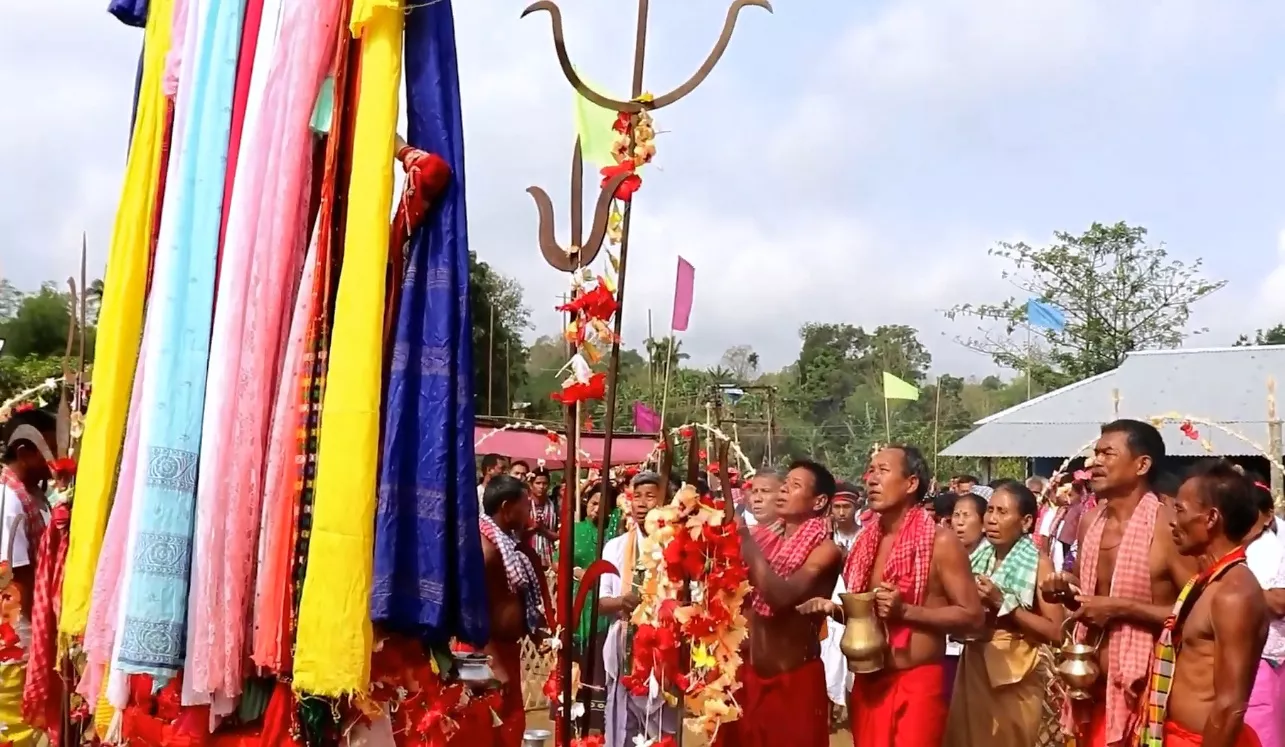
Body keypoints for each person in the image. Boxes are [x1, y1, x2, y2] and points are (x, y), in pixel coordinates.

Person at [802, 445, 983, 747]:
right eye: (871, 471)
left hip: (918, 683)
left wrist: (907, 612)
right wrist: (834, 610)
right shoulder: (865, 543)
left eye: (883, 471)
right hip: (868, 681)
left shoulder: (941, 542)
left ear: (911, 483)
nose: (871, 479)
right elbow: (869, 613)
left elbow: (973, 618)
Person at [1041, 419, 1198, 747]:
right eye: (1095, 453)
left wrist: (1120, 609)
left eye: (1107, 454)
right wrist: (1065, 589)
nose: (1094, 462)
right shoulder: (1090, 521)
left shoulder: (1168, 527)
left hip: (1150, 695)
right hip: (1091, 690)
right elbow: (1091, 595)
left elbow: (1198, 615)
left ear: (1142, 464)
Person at [1136, 460, 1267, 747]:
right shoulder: (1206, 582)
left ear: (1210, 519)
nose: (1172, 520)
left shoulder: (1234, 593)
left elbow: (1230, 706)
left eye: (1180, 510)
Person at [719, 460, 843, 747]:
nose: (785, 490)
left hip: (793, 682)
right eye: (785, 484)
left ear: (819, 501)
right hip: (748, 678)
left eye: (795, 486)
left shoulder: (826, 551)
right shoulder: (765, 538)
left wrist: (745, 541)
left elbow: (781, 597)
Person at [945, 480, 1064, 747]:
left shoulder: (1039, 564)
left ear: (1026, 522)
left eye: (1002, 512)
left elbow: (1057, 632)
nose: (992, 520)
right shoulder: (976, 558)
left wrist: (1004, 605)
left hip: (1015, 672)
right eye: (990, 511)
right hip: (974, 663)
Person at [600, 472, 680, 747]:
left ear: (666, 502)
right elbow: (601, 602)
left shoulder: (676, 545)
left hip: (664, 651)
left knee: (662, 731)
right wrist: (624, 602)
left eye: (651, 496)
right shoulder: (615, 546)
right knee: (622, 728)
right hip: (624, 646)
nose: (642, 503)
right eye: (638, 496)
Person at [475, 475, 547, 747]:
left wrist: (539, 635)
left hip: (506, 652)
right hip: (485, 655)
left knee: (510, 729)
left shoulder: (508, 545)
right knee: (489, 732)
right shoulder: (487, 550)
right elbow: (474, 612)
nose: (529, 513)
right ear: (506, 508)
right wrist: (493, 663)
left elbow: (517, 598)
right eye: (525, 506)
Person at [0, 412, 54, 747]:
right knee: (16, 719)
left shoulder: (32, 495)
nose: (55, 457)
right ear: (24, 451)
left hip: (31, 622)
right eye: (48, 449)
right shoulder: (8, 500)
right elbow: (16, 575)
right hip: (17, 630)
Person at [568, 483, 618, 732]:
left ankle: (598, 724)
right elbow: (560, 563)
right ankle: (572, 720)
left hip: (604, 605)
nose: (597, 508)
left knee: (599, 662)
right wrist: (581, 573)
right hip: (579, 602)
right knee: (576, 663)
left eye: (603, 504)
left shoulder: (615, 533)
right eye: (593, 503)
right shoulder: (575, 530)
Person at [1240, 478, 1285, 747]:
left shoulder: (1269, 549)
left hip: (1266, 657)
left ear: (1267, 517)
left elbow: (1280, 602)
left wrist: (1230, 594)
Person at [527, 467, 558, 570]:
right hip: (527, 558)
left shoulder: (554, 506)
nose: (541, 486)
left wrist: (542, 529)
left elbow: (558, 536)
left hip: (549, 560)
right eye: (538, 483)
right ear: (531, 485)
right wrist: (533, 528)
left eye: (544, 483)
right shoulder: (524, 504)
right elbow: (517, 535)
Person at [831, 482, 861, 553]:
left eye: (846, 507)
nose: (841, 513)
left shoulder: (866, 535)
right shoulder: (826, 536)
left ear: (856, 507)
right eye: (837, 507)